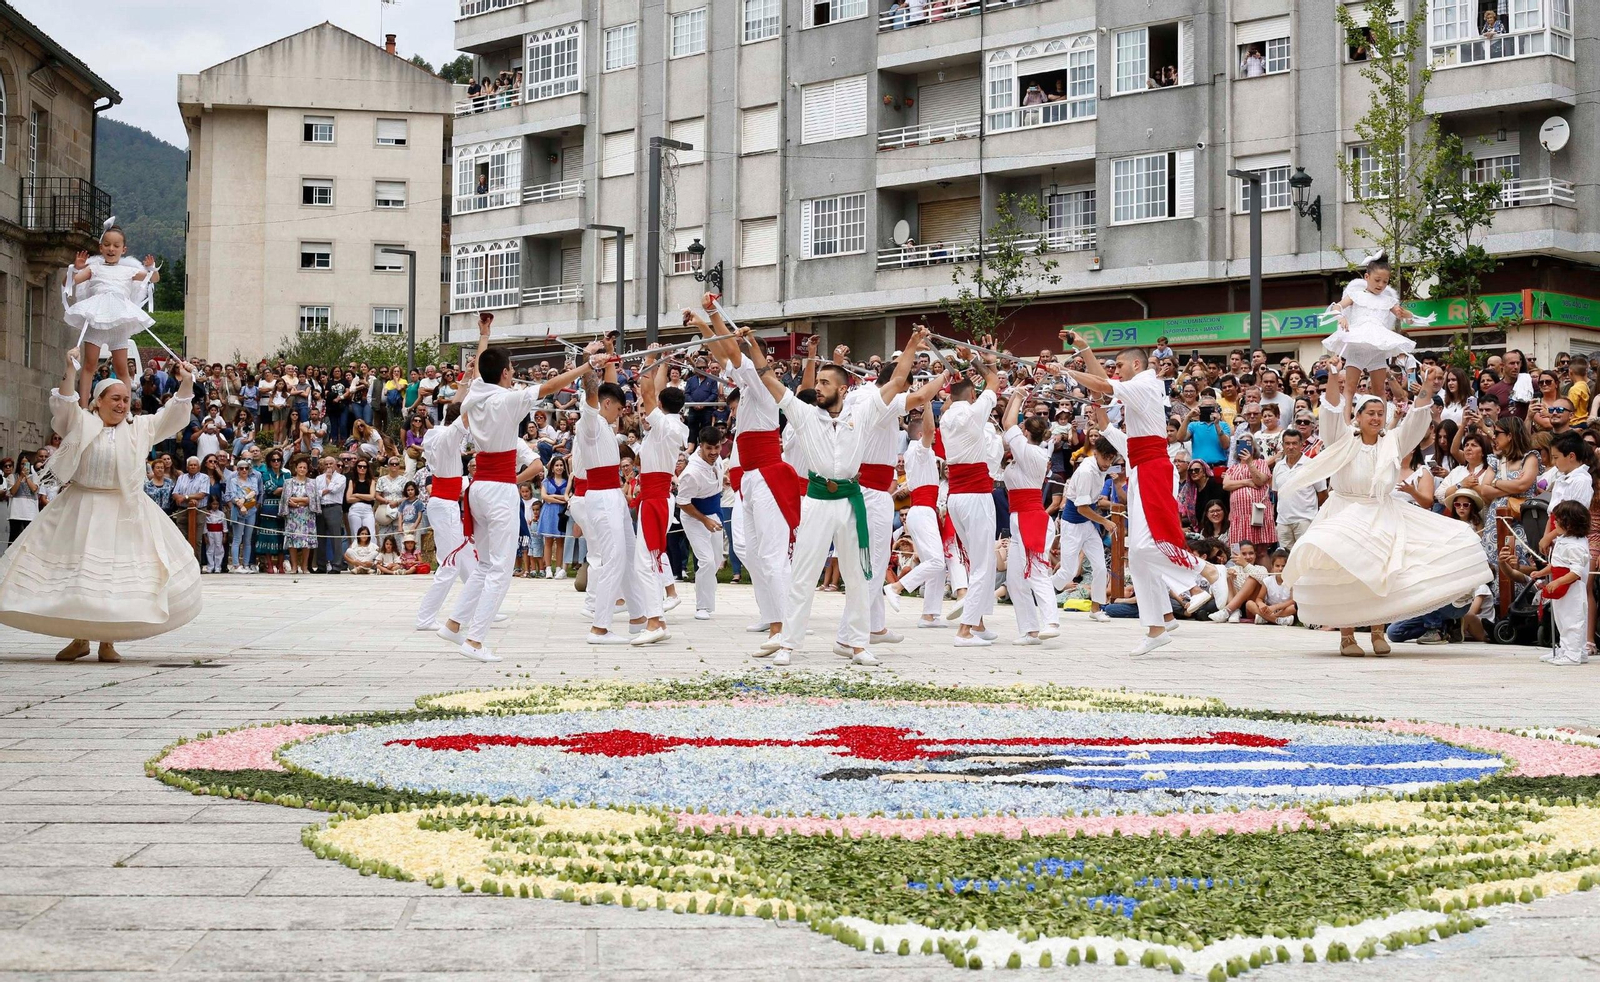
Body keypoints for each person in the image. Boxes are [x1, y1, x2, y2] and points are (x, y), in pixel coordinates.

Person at [0, 356, 200, 661]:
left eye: (126, 400)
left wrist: (186, 381)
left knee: (113, 580)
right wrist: (70, 369)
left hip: (125, 510)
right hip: (81, 506)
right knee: (80, 578)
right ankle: (80, 638)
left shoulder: (139, 428)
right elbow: (65, 403)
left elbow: (172, 415)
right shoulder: (82, 423)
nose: (122, 405)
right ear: (98, 401)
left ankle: (108, 642)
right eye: (115, 399)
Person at [1278, 368, 1490, 656]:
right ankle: (1347, 637)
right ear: (1358, 416)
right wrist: (1332, 378)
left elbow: (1417, 418)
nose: (1376, 418)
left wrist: (1427, 384)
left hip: (1380, 512)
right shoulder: (1342, 438)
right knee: (1346, 575)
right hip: (1345, 510)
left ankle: (1378, 631)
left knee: (1382, 573)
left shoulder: (1393, 441)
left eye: (1380, 412)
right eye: (1370, 413)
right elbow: (1329, 411)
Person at [746, 328, 921, 666]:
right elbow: (769, 379)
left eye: (825, 383)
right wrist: (753, 346)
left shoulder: (863, 412)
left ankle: (857, 644)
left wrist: (912, 344)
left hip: (849, 500)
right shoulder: (804, 413)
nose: (818, 388)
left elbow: (898, 380)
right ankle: (789, 644)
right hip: (816, 501)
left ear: (842, 388)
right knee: (803, 573)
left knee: (857, 575)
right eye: (818, 382)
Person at [435, 316, 596, 662]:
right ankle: (475, 640)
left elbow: (481, 367)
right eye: (509, 369)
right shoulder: (506, 400)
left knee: (484, 565)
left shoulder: (476, 392)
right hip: (497, 489)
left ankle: (453, 624)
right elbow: (550, 387)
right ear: (507, 373)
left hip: (479, 486)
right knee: (500, 569)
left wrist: (485, 336)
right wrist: (586, 366)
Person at [1065, 333, 1214, 655]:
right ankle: (1159, 623)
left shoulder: (1146, 383)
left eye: (1120, 365)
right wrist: (1083, 354)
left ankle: (1198, 576)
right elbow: (1104, 390)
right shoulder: (1139, 390)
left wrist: (1067, 368)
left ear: (1136, 363)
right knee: (1139, 554)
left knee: (1150, 543)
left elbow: (1103, 385)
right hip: (1142, 469)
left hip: (1152, 470)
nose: (1115, 370)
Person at [690, 297, 798, 647]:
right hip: (750, 478)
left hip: (768, 475)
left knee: (770, 554)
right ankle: (771, 618)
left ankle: (784, 626)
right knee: (751, 551)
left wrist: (712, 315)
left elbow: (734, 354)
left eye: (748, 350)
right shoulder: (748, 382)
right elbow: (725, 356)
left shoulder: (765, 386)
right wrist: (703, 325)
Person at [852, 330, 946, 648]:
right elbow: (920, 397)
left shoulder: (864, 397)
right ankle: (858, 630)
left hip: (872, 489)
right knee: (873, 563)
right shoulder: (883, 403)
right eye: (905, 383)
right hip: (871, 490)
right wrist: (946, 373)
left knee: (875, 563)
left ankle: (874, 627)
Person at [939, 343, 1003, 647]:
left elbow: (984, 386)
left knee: (974, 559)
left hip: (956, 496)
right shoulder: (975, 412)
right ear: (972, 396)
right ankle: (965, 630)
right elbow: (993, 382)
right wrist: (980, 360)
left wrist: (974, 362)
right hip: (976, 495)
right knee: (982, 563)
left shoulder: (945, 416)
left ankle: (977, 623)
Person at [64, 227, 158, 408]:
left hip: (119, 320)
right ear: (101, 248)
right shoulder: (94, 268)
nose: (111, 249)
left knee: (122, 367)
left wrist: (151, 268)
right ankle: (83, 406)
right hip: (97, 317)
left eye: (116, 245)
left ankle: (126, 408)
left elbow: (153, 279)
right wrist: (75, 269)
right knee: (89, 365)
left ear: (123, 249)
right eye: (107, 245)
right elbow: (69, 283)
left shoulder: (127, 270)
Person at [631, 358, 689, 645]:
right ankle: (657, 618)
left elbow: (647, 394)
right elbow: (653, 394)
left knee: (645, 560)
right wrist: (660, 366)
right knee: (650, 558)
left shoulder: (666, 425)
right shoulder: (674, 424)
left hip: (656, 496)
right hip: (657, 495)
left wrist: (649, 365)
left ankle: (655, 621)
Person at [1000, 383, 1059, 644]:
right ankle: (1030, 630)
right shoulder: (1025, 452)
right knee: (1014, 580)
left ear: (1025, 433)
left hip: (1032, 517)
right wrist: (1017, 396)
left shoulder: (1029, 452)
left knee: (1036, 570)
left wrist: (1018, 396)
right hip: (1019, 518)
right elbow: (1008, 422)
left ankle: (1052, 621)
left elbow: (1007, 421)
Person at [1324, 254, 1416, 417]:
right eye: (1377, 280)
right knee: (1350, 388)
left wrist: (1406, 314)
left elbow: (1406, 318)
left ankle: (1381, 425)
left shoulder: (1388, 301)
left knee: (1379, 389)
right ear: (1367, 277)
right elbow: (1336, 307)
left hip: (1377, 346)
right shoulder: (1355, 295)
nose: (1381, 284)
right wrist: (1341, 316)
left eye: (1385, 282)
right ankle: (1346, 423)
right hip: (1358, 343)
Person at [885, 413, 952, 628]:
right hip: (922, 510)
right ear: (922, 434)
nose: (935, 435)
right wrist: (927, 402)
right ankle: (897, 587)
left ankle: (929, 615)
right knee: (936, 562)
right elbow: (931, 430)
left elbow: (933, 431)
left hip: (925, 510)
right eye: (930, 433)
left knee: (937, 566)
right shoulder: (918, 449)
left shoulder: (922, 451)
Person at [1059, 419, 1119, 622]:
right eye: (1105, 457)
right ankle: (1041, 590)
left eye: (1111, 458)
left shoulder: (1103, 468)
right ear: (1095, 453)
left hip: (1088, 522)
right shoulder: (1086, 471)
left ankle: (1096, 609)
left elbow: (1091, 503)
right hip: (1073, 523)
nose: (1108, 462)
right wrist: (1105, 522)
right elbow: (1081, 508)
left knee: (1101, 567)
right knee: (1067, 572)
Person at [676, 425, 726, 620]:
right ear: (700, 446)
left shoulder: (718, 459)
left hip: (714, 512)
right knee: (705, 560)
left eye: (717, 448)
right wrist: (704, 520)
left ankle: (708, 600)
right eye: (709, 448)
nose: (713, 452)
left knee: (715, 560)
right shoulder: (691, 472)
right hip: (694, 516)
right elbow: (682, 503)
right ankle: (701, 606)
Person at [1535, 500, 1590, 666]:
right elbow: (1557, 564)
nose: (1555, 522)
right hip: (1561, 587)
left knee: (1572, 621)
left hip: (1571, 589)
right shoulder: (1563, 539)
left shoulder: (1576, 546)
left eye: (1559, 520)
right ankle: (1570, 649)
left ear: (1570, 523)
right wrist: (1542, 572)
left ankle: (1573, 654)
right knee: (1562, 619)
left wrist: (1558, 582)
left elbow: (1576, 571)